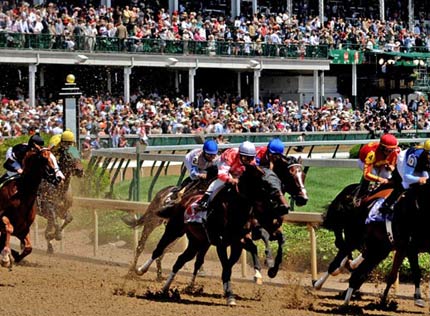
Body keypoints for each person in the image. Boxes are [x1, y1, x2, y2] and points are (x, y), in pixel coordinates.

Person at [196, 141, 257, 213]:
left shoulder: (252, 161)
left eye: (251, 158)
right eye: (245, 158)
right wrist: (231, 180)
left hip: (237, 168)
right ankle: (205, 199)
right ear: (240, 155)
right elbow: (221, 174)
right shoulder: (231, 155)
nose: (248, 161)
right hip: (224, 165)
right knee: (222, 180)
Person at [379, 140, 430, 214]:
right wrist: (419, 179)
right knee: (406, 184)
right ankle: (386, 205)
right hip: (404, 160)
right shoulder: (414, 157)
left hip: (423, 165)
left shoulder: (426, 157)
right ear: (426, 153)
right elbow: (407, 176)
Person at [166, 139, 220, 204]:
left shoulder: (217, 158)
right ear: (204, 152)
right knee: (194, 178)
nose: (211, 157)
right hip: (189, 160)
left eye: (213, 155)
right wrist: (199, 175)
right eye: (209, 155)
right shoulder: (196, 157)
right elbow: (193, 172)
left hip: (203, 163)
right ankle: (175, 194)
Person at [355, 133, 399, 203]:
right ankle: (361, 194)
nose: (391, 152)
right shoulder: (371, 153)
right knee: (374, 173)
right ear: (382, 147)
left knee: (388, 176)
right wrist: (380, 179)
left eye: (392, 150)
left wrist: (391, 168)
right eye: (388, 150)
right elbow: (367, 174)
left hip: (381, 163)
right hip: (364, 162)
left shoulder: (395, 151)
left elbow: (394, 166)